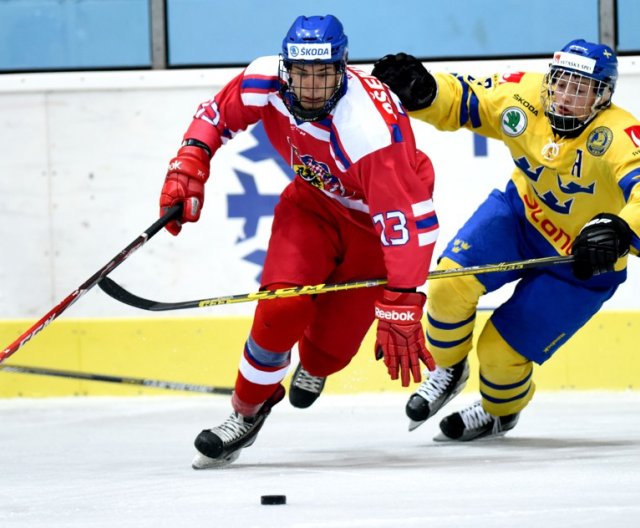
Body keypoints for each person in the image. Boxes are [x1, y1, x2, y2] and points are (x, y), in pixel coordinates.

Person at [159, 14, 439, 468]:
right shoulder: (265, 80)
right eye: (302, 73)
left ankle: (314, 365)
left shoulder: (368, 130)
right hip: (311, 208)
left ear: (343, 68)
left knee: (328, 354)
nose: (310, 87)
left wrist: (404, 297)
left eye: (323, 74)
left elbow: (407, 223)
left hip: (374, 231)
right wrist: (190, 160)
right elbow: (216, 114)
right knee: (281, 308)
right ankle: (247, 410)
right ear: (287, 68)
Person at [372, 40, 639, 441]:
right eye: (561, 84)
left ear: (602, 96)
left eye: (580, 89)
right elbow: (467, 96)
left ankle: (500, 412)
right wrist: (427, 92)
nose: (565, 98)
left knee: (499, 355)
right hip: (519, 218)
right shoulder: (524, 95)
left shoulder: (620, 134)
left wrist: (620, 230)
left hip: (582, 262)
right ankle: (449, 369)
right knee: (448, 283)